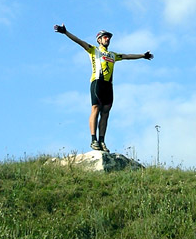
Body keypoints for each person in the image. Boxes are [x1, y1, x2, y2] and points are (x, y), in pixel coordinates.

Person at [53, 24, 154, 152]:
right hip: (97, 83)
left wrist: (143, 55)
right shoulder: (93, 50)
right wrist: (66, 32)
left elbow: (127, 56)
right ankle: (93, 139)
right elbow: (79, 41)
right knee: (95, 108)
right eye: (105, 37)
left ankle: (102, 141)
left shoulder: (113, 55)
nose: (108, 39)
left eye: (109, 37)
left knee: (105, 113)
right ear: (99, 39)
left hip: (108, 85)